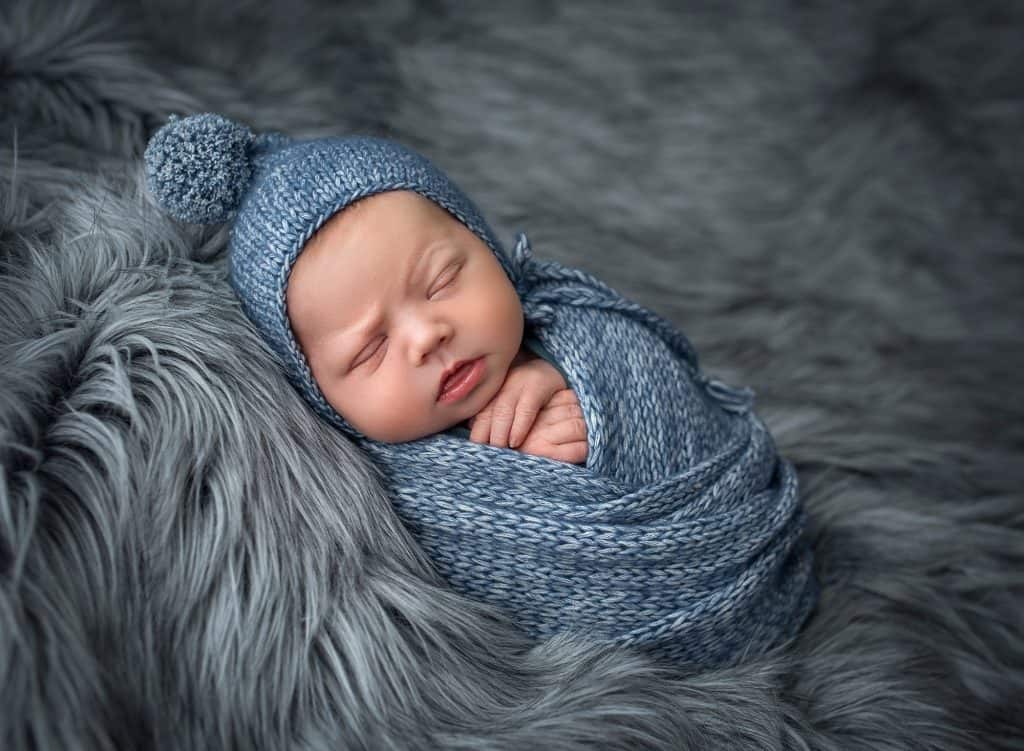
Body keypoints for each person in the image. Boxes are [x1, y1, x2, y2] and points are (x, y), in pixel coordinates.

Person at [285, 189, 588, 464]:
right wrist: (519, 471)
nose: (426, 336)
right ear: (317, 397)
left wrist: (565, 374)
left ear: (489, 249)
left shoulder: (579, 322)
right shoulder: (349, 487)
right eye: (371, 350)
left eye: (442, 282)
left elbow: (612, 357)